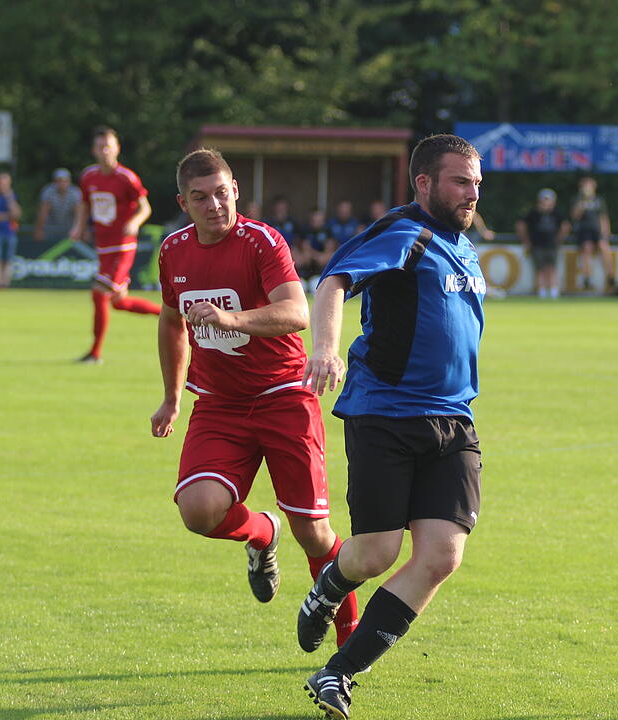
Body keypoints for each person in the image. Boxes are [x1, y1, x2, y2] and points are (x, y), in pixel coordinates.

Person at [298, 133, 486, 719]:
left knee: (442, 557)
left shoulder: (465, 246)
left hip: (454, 421)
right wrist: (325, 349)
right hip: (386, 414)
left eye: (477, 183)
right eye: (461, 181)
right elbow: (333, 281)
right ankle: (330, 586)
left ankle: (337, 673)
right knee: (377, 552)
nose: (472, 193)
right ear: (424, 182)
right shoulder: (405, 232)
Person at [151, 148, 359, 650]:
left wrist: (233, 318)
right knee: (198, 511)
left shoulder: (262, 241)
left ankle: (350, 646)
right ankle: (262, 533)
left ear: (235, 190)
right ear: (183, 203)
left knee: (313, 533)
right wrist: (172, 397)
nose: (214, 205)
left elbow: (296, 312)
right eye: (200, 197)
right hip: (219, 404)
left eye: (222, 193)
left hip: (284, 395)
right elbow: (171, 320)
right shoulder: (173, 250)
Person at [70, 126, 162, 364]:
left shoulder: (126, 178)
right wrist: (78, 226)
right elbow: (85, 205)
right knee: (119, 302)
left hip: (123, 247)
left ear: (117, 148)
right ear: (94, 150)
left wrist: (134, 222)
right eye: (100, 147)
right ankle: (169, 315)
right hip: (103, 247)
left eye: (108, 146)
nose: (105, 151)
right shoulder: (89, 176)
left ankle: (95, 353)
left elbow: (145, 208)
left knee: (99, 292)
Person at [515, 188, 570, 299]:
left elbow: (566, 226)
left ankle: (553, 291)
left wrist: (559, 239)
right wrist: (526, 241)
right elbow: (520, 225)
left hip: (552, 245)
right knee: (539, 268)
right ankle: (542, 291)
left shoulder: (557, 213)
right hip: (537, 244)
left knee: (551, 268)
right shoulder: (533, 213)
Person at [571, 175, 615, 292]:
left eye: (589, 185)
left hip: (597, 230)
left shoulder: (599, 200)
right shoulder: (577, 200)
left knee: (604, 247)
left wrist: (606, 231)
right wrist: (582, 202)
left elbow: (603, 217)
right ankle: (587, 278)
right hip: (584, 231)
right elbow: (575, 216)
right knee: (587, 249)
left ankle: (610, 277)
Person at [33, 168, 82, 243]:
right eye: (59, 181)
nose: (62, 183)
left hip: (69, 229)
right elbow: (43, 212)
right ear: (54, 182)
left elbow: (78, 213)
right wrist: (39, 230)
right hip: (50, 229)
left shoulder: (75, 193)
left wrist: (78, 229)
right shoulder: (48, 191)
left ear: (69, 181)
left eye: (65, 181)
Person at [297, 207, 337, 283]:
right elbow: (305, 257)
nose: (317, 222)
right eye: (314, 220)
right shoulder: (305, 231)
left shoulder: (327, 232)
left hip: (320, 274)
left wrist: (313, 254)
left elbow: (323, 259)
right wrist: (317, 255)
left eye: (319, 220)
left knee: (315, 283)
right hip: (304, 273)